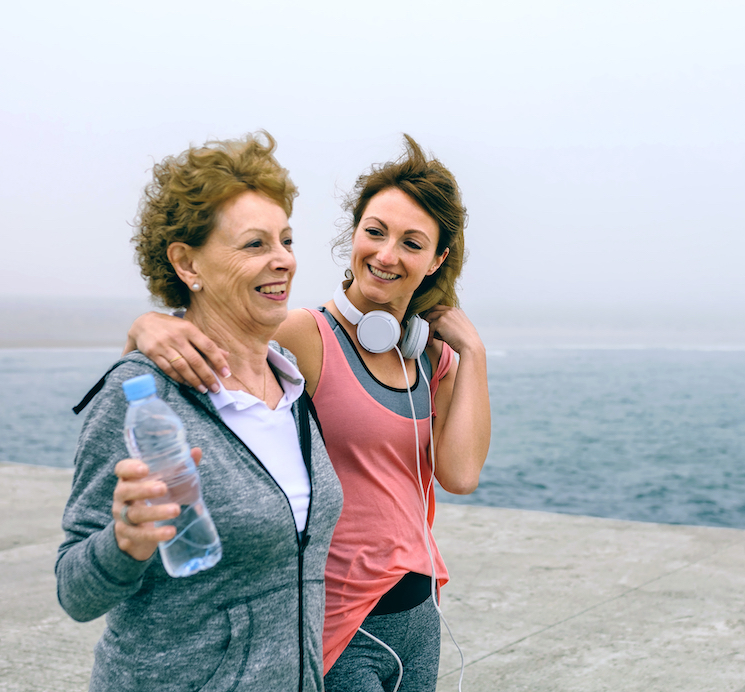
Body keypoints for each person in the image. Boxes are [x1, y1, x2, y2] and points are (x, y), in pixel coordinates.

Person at [125, 135, 491, 691]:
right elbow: (216, 342)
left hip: (419, 617)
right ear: (354, 236)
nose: (387, 254)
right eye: (375, 232)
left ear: (436, 260)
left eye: (412, 243)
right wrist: (148, 326)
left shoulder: (431, 356)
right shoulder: (307, 335)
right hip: (341, 627)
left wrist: (474, 355)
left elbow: (461, 474)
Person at [56, 132, 343, 692]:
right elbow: (74, 589)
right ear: (188, 263)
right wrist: (126, 541)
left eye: (285, 239)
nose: (282, 259)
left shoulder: (289, 380)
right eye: (255, 244)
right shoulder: (139, 393)